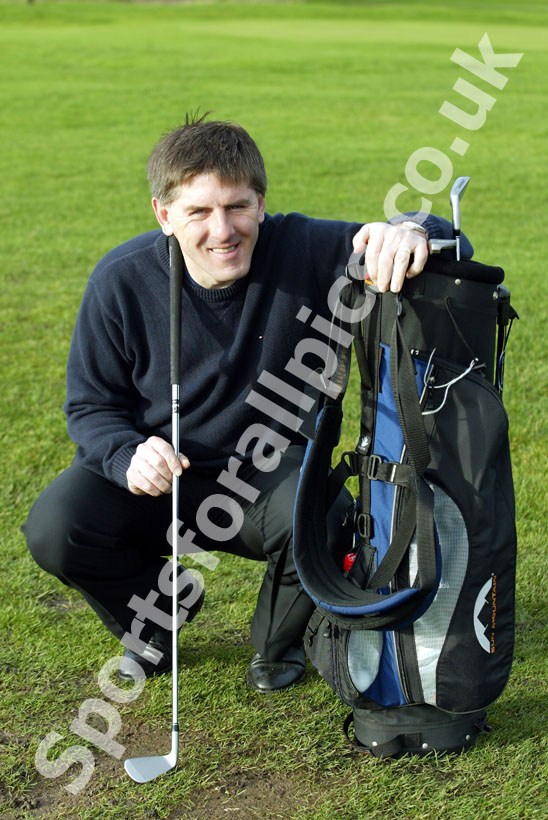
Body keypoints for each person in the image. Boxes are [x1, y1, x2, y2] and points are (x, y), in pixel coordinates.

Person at [23, 115, 470, 693]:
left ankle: (275, 646)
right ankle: (156, 623)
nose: (222, 230)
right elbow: (90, 406)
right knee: (57, 527)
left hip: (267, 472)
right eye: (198, 213)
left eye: (237, 206)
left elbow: (436, 242)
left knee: (326, 519)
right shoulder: (120, 280)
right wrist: (126, 454)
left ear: (261, 203)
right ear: (163, 215)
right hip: (163, 474)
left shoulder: (304, 248)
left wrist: (410, 229)